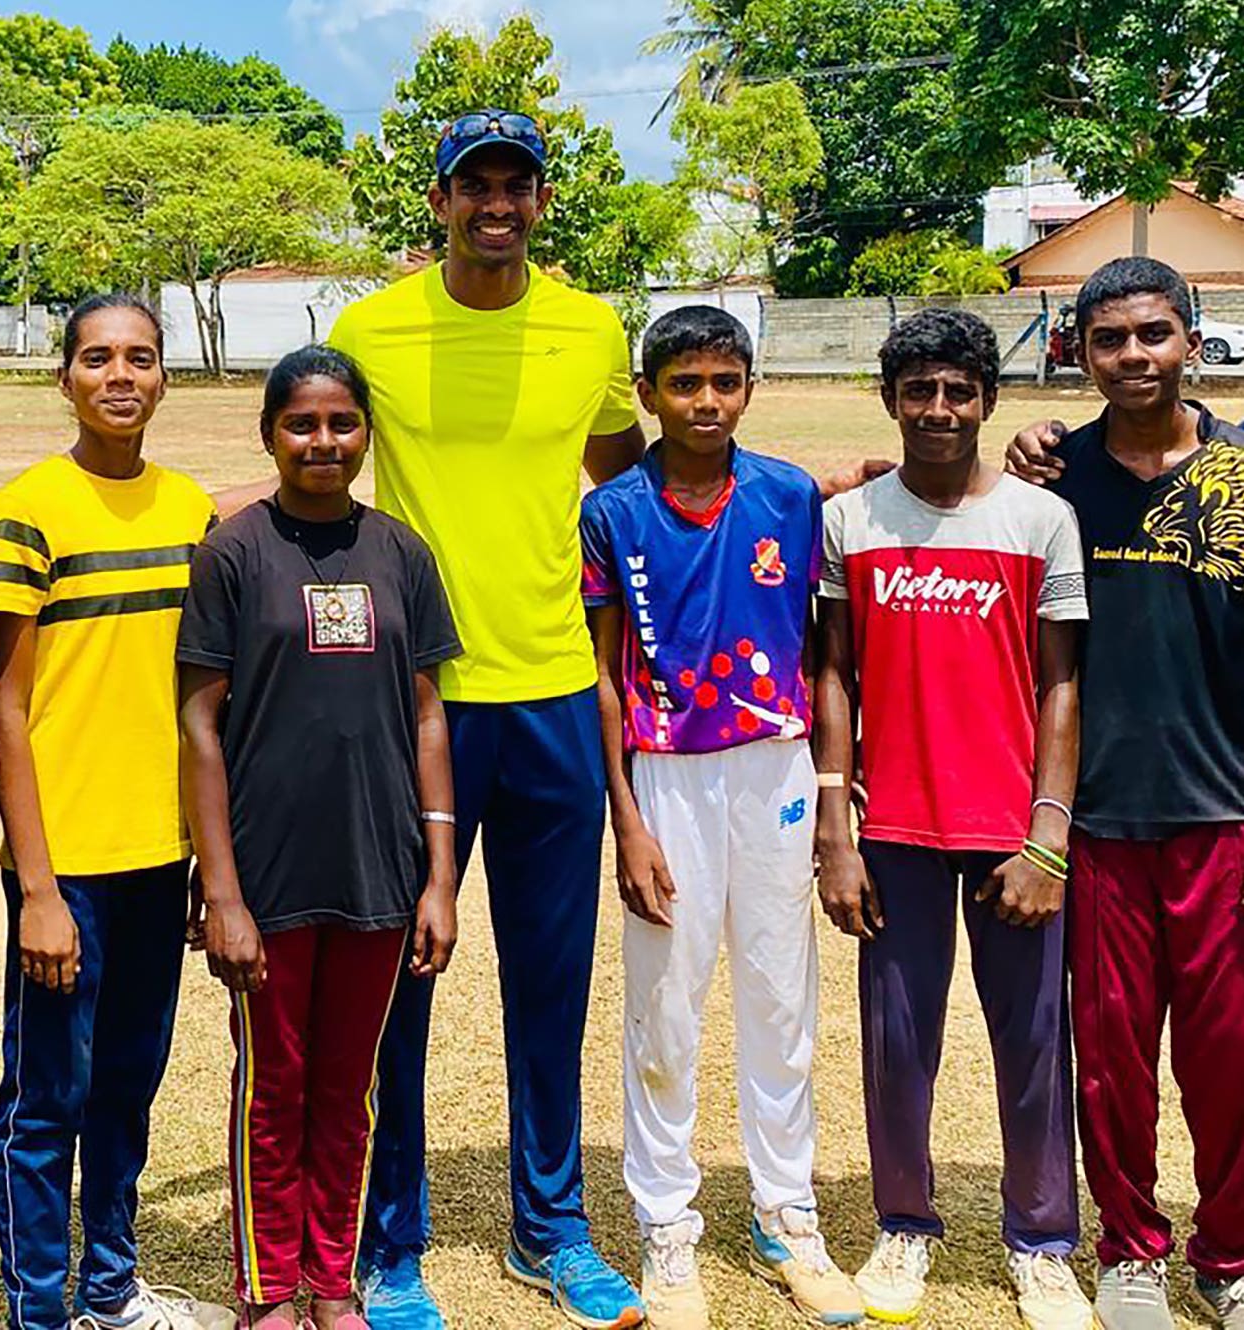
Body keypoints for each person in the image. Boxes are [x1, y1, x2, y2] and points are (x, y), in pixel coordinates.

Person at [320, 107, 650, 1330]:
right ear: (441, 201)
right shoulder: (373, 329)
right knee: (403, 974)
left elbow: (628, 467)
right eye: (475, 184)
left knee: (551, 977)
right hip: (417, 702)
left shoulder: (589, 325)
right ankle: (390, 1236)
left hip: (558, 689)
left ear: (543, 199)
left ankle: (549, 1227)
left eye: (517, 183)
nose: (496, 203)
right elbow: (319, 453)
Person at [578, 307, 863, 1330]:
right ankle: (667, 1226)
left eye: (725, 381)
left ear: (750, 386)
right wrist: (627, 819)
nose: (706, 402)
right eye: (684, 383)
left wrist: (834, 801)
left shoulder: (790, 494)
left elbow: (830, 654)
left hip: (775, 766)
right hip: (665, 776)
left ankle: (786, 1212)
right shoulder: (612, 510)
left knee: (782, 999)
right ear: (648, 392)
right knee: (666, 1002)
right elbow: (606, 678)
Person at [813, 308, 1092, 1330]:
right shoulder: (853, 521)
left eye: (959, 391)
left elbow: (1062, 684)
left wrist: (1048, 834)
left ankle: (1043, 1240)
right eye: (919, 390)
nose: (939, 409)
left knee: (1031, 1044)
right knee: (897, 1041)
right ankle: (905, 1222)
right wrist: (836, 834)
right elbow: (833, 674)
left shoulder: (1036, 519)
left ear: (987, 400)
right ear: (892, 399)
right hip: (895, 833)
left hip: (1013, 830)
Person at [179, 346, 462, 1330]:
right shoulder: (233, 551)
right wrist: (221, 891)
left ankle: (333, 1283)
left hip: (379, 870)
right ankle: (266, 1287)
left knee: (349, 1091)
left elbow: (428, 715)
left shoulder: (401, 553)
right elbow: (199, 723)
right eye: (301, 423)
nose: (323, 441)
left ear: (366, 434)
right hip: (268, 871)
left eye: (341, 422)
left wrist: (439, 876)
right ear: (269, 433)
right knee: (275, 1085)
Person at [1003, 257, 1244, 1330]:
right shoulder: (1058, 481)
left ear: (1192, 338)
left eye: (1153, 334)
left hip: (1226, 819)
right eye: (1109, 339)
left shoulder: (1239, 475)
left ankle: (1228, 1256)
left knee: (1229, 1054)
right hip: (1098, 818)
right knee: (1110, 1058)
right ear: (1079, 351)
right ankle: (1132, 1250)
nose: (1133, 356)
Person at [0, 294, 224, 1330]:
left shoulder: (193, 512)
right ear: (64, 378)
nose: (120, 376)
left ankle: (112, 1290)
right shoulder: (30, 510)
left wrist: (217, 866)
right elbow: (7, 702)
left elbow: (210, 700)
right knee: (47, 1101)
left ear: (164, 376)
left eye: (141, 358)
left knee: (128, 1085)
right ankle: (39, 1307)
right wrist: (36, 886)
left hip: (160, 851)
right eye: (97, 358)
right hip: (64, 858)